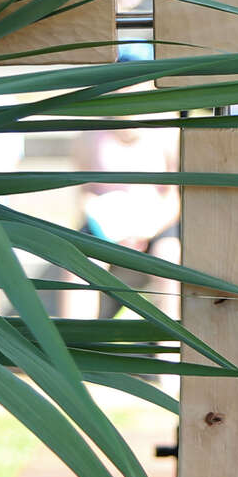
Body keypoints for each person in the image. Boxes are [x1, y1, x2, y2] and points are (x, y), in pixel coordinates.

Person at [81, 125, 181, 327]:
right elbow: (83, 192)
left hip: (155, 222)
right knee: (79, 264)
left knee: (169, 258)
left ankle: (169, 345)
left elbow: (174, 196)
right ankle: (76, 341)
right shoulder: (91, 136)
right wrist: (111, 231)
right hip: (106, 223)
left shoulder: (167, 134)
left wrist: (147, 230)